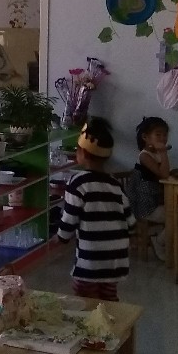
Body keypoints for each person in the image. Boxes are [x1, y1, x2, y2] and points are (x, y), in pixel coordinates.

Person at [55, 117, 134, 302]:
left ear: (82, 153)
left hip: (92, 258)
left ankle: (93, 320)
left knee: (85, 297)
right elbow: (130, 221)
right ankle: (110, 318)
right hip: (117, 258)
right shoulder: (114, 183)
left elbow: (70, 217)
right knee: (109, 296)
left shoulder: (77, 182)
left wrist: (61, 238)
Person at [124, 117, 170, 259]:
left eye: (165, 135)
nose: (163, 138)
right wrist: (164, 152)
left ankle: (167, 243)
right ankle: (159, 241)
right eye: (158, 134)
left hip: (155, 201)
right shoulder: (145, 156)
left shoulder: (155, 154)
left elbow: (164, 174)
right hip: (145, 206)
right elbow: (164, 175)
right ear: (145, 137)